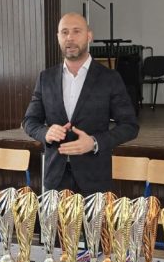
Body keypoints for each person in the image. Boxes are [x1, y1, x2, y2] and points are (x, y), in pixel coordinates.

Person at [22, 13, 139, 195]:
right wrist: (46, 133)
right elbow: (29, 121)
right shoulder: (46, 78)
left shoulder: (110, 78)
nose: (70, 37)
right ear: (58, 37)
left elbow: (130, 126)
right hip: (55, 179)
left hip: (95, 178)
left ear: (89, 36)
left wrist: (94, 142)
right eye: (64, 32)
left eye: (76, 31)